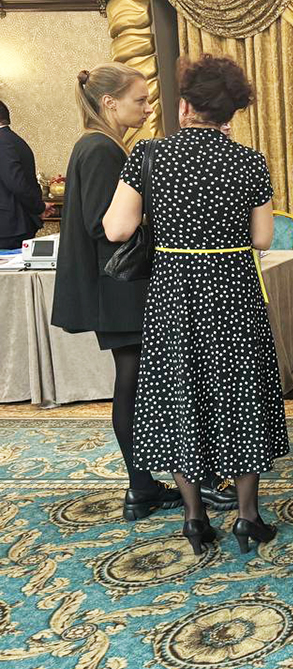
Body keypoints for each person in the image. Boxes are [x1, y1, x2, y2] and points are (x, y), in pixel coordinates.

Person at [102, 54, 288, 555]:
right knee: (241, 396)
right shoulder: (249, 160)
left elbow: (116, 229)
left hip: (174, 293)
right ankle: (248, 517)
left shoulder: (149, 154)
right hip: (232, 291)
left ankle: (194, 518)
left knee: (179, 395)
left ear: (185, 106)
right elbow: (263, 237)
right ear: (232, 111)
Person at [52, 65, 238, 521]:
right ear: (109, 102)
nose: (149, 108)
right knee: (134, 385)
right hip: (121, 287)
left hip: (118, 285)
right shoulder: (100, 149)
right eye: (140, 100)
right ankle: (145, 485)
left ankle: (145, 486)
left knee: (134, 383)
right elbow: (107, 226)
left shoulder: (104, 145)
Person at [0, 100, 46, 250]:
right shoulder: (13, 140)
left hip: (9, 227)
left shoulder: (3, 142)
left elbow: (17, 184)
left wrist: (39, 207)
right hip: (15, 223)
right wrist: (39, 207)